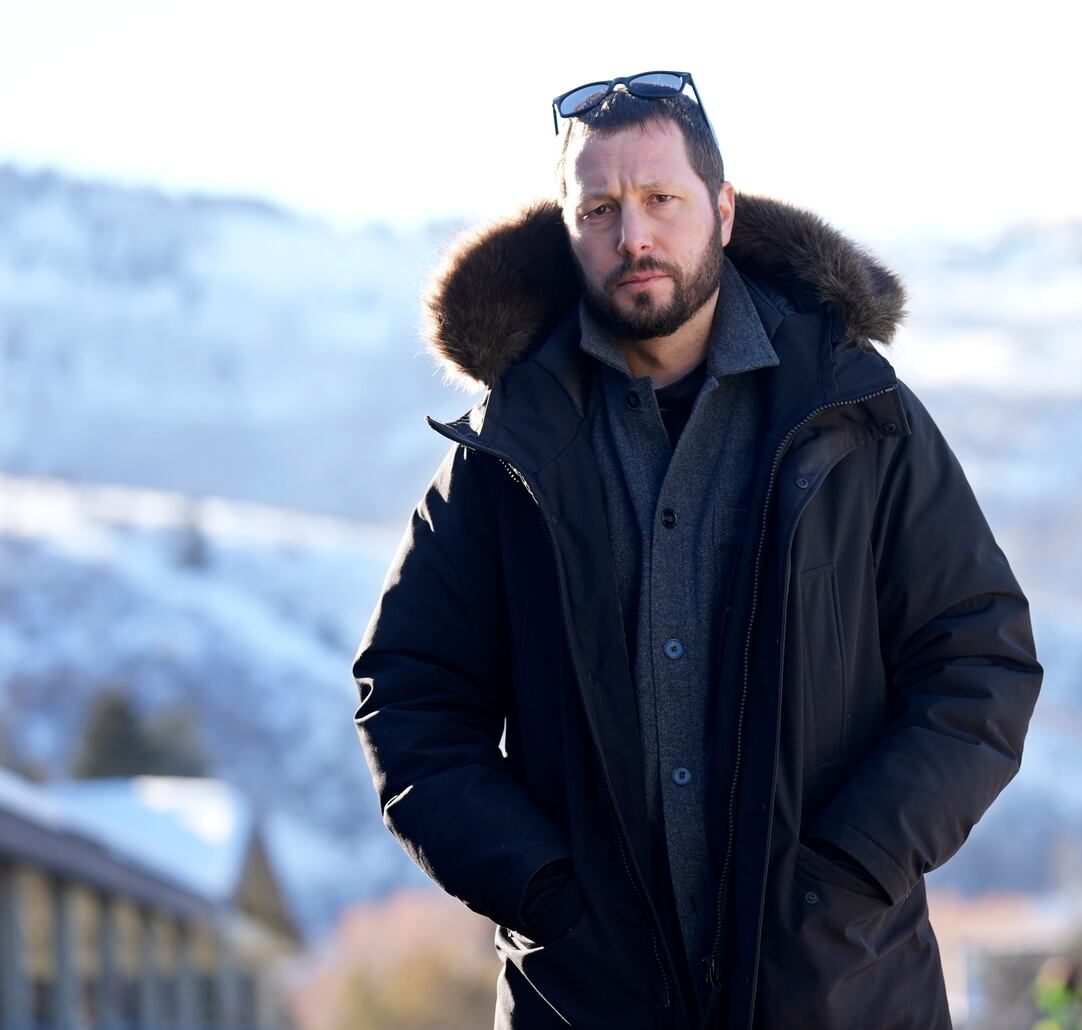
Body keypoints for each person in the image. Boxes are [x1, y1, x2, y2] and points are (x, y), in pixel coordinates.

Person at [351, 70, 1043, 1030]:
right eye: (600, 208)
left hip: (843, 993)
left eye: (660, 200)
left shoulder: (857, 413)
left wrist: (852, 870)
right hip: (588, 1002)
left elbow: (981, 659)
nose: (633, 236)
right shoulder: (505, 453)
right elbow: (412, 696)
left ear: (720, 209)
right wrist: (547, 892)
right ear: (568, 227)